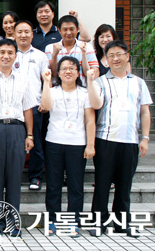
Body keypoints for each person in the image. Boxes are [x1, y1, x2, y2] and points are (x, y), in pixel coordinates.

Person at [88, 41, 152, 238]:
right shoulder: (100, 82)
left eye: (119, 54)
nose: (115, 58)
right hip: (105, 139)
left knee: (124, 185)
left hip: (130, 141)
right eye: (111, 55)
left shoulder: (138, 83)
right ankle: (98, 223)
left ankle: (121, 223)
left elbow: (144, 111)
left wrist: (145, 138)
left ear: (127, 56)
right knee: (102, 184)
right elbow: (94, 107)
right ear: (106, 60)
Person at [0, 39, 37, 237]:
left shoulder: (24, 79)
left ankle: (13, 223)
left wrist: (29, 134)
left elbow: (27, 108)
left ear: (16, 56)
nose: (6, 56)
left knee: (14, 178)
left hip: (16, 130)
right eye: (2, 52)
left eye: (10, 52)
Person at [40, 57, 96, 237]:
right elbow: (46, 106)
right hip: (54, 142)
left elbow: (90, 120)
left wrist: (90, 145)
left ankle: (73, 222)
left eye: (72, 68)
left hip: (77, 144)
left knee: (75, 186)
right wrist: (47, 83)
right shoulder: (53, 91)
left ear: (78, 72)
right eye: (64, 68)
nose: (68, 71)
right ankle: (53, 221)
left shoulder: (85, 93)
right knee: (54, 184)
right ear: (59, 72)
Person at [12, 20, 50, 191]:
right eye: (19, 32)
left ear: (32, 34)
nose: (23, 35)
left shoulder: (41, 56)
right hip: (13, 106)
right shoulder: (9, 54)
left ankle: (35, 176)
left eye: (27, 32)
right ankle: (14, 176)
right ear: (14, 34)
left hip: (35, 105)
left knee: (35, 143)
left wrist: (44, 100)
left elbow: (46, 80)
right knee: (14, 143)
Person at [45, 15, 99, 85]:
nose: (68, 33)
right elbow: (53, 74)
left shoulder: (87, 47)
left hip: (82, 91)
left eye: (71, 29)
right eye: (65, 29)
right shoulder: (50, 48)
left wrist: (84, 53)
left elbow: (94, 73)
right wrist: (55, 54)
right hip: (58, 91)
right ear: (59, 30)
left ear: (77, 29)